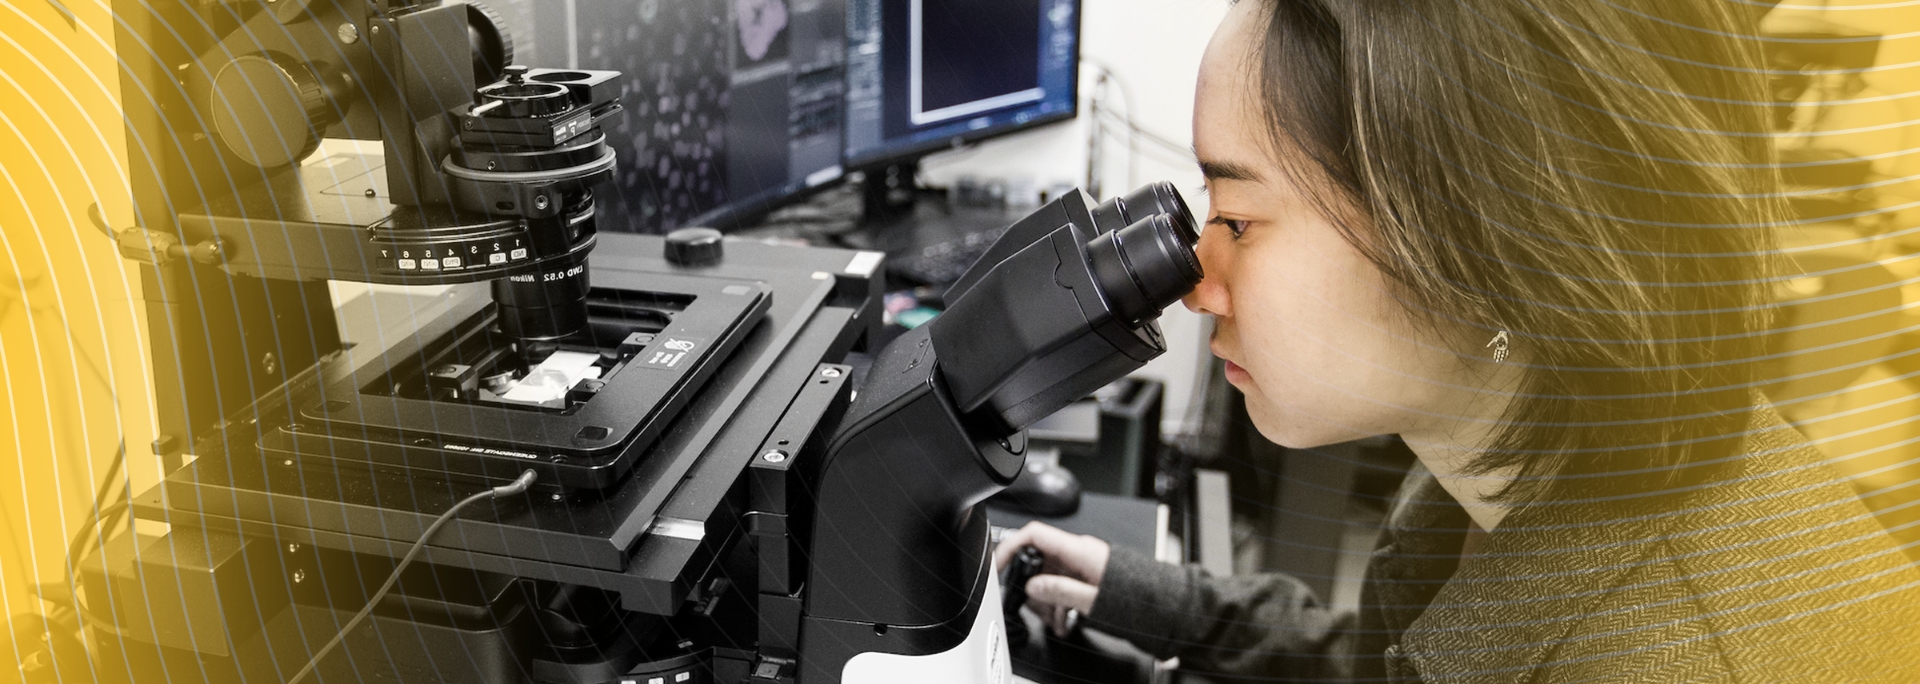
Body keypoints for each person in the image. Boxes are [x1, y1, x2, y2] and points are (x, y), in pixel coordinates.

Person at [995, 0, 1920, 681]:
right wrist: (1144, 598)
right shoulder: (1525, 453)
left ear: (1492, 243)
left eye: (1235, 216)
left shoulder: (1668, 657)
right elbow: (1387, 664)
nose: (1195, 283)